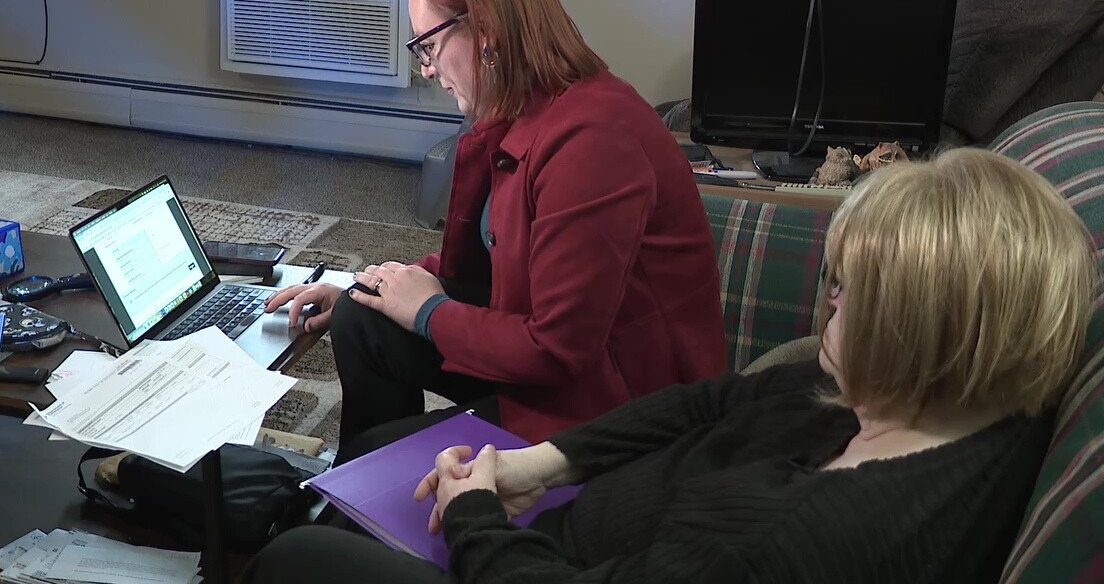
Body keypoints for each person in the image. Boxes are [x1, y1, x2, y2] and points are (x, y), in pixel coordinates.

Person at [243, 148, 1098, 584]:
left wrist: (477, 517)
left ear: (933, 329)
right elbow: (712, 404)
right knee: (342, 480)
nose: (826, 301)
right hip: (562, 514)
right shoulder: (940, 398)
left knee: (298, 560)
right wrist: (538, 467)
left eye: (851, 291)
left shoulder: (793, 539)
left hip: (541, 562)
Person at [265, 0, 726, 450]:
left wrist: (428, 312)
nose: (428, 69)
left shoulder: (593, 142)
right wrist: (370, 287)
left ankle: (374, 495)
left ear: (484, 31)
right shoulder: (526, 109)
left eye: (430, 46)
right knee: (360, 316)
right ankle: (364, 504)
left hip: (620, 410)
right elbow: (489, 259)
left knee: (382, 449)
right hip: (572, 370)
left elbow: (556, 350)